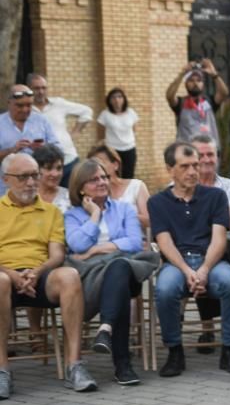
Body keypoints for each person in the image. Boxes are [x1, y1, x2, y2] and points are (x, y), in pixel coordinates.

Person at [0, 153, 99, 398]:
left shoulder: (51, 211)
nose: (31, 182)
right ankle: (2, 371)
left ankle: (74, 366)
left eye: (34, 175)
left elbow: (56, 254)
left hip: (40, 275)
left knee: (69, 275)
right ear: (6, 179)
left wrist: (36, 272)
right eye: (23, 177)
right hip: (4, 275)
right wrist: (13, 274)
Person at [149, 142, 230, 377]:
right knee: (164, 289)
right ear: (170, 169)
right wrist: (186, 270)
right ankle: (174, 351)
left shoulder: (215, 196)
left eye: (195, 165)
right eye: (185, 166)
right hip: (176, 263)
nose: (193, 171)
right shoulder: (157, 202)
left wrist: (203, 270)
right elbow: (164, 242)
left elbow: (219, 239)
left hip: (211, 262)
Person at [64, 159, 160, 386]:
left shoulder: (124, 208)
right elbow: (77, 245)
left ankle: (106, 327)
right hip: (91, 276)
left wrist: (96, 248)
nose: (102, 182)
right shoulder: (73, 215)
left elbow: (135, 242)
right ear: (80, 187)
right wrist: (95, 215)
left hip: (126, 268)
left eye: (104, 177)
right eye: (94, 179)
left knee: (120, 269)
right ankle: (122, 365)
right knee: (120, 284)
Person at [190, 133, 230, 353]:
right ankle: (208, 327)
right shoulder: (177, 186)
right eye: (200, 155)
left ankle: (209, 328)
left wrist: (199, 216)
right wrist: (221, 216)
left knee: (209, 256)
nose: (206, 159)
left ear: (217, 157)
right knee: (198, 256)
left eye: (210, 154)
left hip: (227, 244)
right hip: (191, 246)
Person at [29, 74, 92, 182]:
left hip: (68, 160)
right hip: (42, 165)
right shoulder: (26, 110)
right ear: (29, 89)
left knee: (72, 196)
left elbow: (86, 111)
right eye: (36, 88)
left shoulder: (58, 104)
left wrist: (75, 132)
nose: (41, 92)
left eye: (44, 88)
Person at [0, 84, 60, 197]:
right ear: (9, 103)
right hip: (6, 188)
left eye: (29, 105)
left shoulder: (41, 120)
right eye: (20, 105)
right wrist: (12, 150)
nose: (25, 109)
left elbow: (57, 149)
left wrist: (44, 148)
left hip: (39, 185)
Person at [86, 144, 150, 229]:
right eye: (94, 164)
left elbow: (150, 221)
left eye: (102, 162)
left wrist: (121, 214)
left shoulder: (136, 186)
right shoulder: (93, 192)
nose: (98, 167)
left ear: (115, 165)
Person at [166, 58, 227, 143]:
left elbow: (224, 93)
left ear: (203, 84)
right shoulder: (181, 103)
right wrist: (182, 74)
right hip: (189, 152)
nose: (195, 83)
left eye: (199, 80)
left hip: (208, 150)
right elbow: (169, 96)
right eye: (191, 80)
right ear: (186, 84)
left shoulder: (209, 102)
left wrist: (214, 75)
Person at [96, 88, 139, 179]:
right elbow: (100, 133)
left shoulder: (131, 112)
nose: (117, 100)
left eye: (119, 97)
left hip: (129, 149)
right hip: (112, 150)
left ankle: (127, 193)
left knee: (129, 175)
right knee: (113, 175)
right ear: (109, 100)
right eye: (113, 97)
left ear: (124, 99)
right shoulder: (105, 114)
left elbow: (134, 129)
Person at [33, 144, 71, 213]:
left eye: (59, 168)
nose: (55, 174)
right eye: (49, 168)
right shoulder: (28, 197)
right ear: (37, 170)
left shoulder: (69, 197)